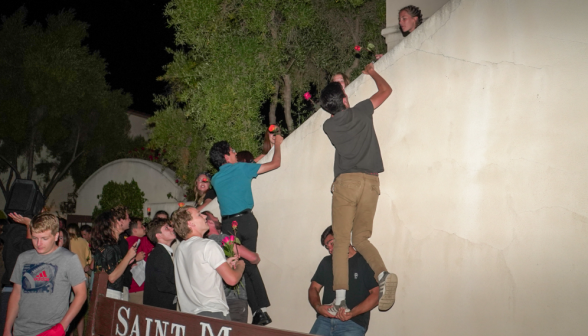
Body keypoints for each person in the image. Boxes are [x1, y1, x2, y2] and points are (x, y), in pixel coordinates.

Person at [320, 62, 397, 313]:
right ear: (344, 98)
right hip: (372, 183)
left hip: (347, 183)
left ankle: (340, 300)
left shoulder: (328, 126)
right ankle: (383, 274)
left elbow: (337, 114)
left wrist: (339, 99)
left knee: (342, 241)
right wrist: (372, 73)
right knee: (361, 238)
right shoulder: (363, 111)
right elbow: (386, 91)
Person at [208, 136, 283, 325]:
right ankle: (261, 310)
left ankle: (258, 310)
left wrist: (257, 158)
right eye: (233, 151)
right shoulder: (241, 169)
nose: (235, 154)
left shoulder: (215, 179)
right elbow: (275, 164)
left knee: (238, 264)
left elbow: (244, 168)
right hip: (247, 221)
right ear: (226, 156)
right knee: (250, 264)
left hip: (227, 226)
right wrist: (279, 145)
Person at [3, 213, 87, 336]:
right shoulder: (23, 258)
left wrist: (61, 327)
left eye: (44, 238)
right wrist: (7, 329)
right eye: (35, 238)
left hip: (51, 330)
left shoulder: (69, 259)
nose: (38, 243)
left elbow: (82, 294)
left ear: (56, 236)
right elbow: (16, 294)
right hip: (21, 329)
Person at [171, 206, 245, 320]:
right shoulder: (208, 245)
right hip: (212, 314)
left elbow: (201, 275)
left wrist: (224, 264)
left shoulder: (180, 249)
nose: (205, 216)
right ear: (190, 224)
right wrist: (240, 266)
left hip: (188, 317)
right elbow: (232, 279)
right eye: (199, 214)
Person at [308, 226, 379, 336]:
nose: (330, 250)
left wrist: (352, 313)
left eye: (331, 243)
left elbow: (376, 295)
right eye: (327, 247)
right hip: (324, 321)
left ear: (343, 239)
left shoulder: (364, 261)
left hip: (353, 323)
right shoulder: (327, 262)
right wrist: (318, 307)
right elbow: (313, 288)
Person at [202, 211, 260, 323]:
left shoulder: (203, 244)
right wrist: (254, 258)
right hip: (234, 299)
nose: (217, 218)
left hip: (216, 299)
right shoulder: (223, 239)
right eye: (214, 216)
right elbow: (252, 258)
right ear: (210, 222)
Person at [91, 212, 137, 300]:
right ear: (109, 225)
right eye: (115, 220)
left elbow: (113, 269)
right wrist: (128, 257)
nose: (119, 222)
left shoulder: (112, 245)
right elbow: (111, 277)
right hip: (109, 293)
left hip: (113, 292)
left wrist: (127, 262)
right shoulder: (108, 247)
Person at [0, 213, 33, 334]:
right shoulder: (18, 232)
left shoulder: (9, 235)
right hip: (14, 290)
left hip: (10, 288)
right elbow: (29, 251)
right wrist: (28, 225)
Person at [144, 218, 177, 310]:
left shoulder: (162, 252)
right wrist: (183, 289)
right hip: (160, 308)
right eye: (167, 228)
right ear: (158, 235)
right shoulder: (160, 254)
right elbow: (162, 285)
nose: (172, 229)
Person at [66, 224, 92, 336]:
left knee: (69, 309)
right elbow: (89, 259)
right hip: (82, 277)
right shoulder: (83, 242)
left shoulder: (66, 241)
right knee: (79, 310)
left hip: (69, 278)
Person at [126, 218, 154, 304]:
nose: (144, 228)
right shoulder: (144, 241)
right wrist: (135, 260)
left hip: (133, 287)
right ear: (134, 230)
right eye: (141, 226)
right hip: (138, 288)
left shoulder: (123, 243)